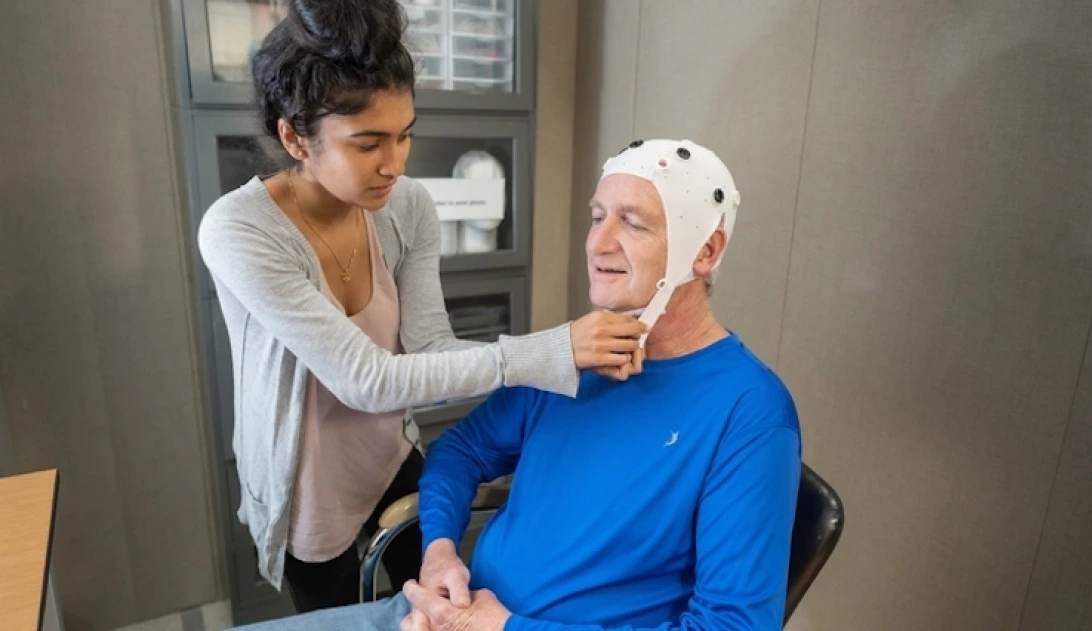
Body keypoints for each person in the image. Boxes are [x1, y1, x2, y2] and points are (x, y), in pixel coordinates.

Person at [227, 138, 802, 631]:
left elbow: (731, 625)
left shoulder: (749, 411)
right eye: (597, 216)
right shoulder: (576, 358)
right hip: (445, 609)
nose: (597, 245)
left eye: (631, 223)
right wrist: (440, 552)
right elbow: (461, 450)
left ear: (706, 250)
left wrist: (504, 626)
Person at [196, 0, 645, 615]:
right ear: (294, 137)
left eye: (405, 134)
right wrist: (549, 351)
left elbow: (431, 347)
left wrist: (557, 360)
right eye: (368, 144)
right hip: (308, 486)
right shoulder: (239, 230)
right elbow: (367, 379)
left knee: (432, 604)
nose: (396, 162)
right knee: (340, 619)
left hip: (387, 455)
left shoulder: (406, 207)